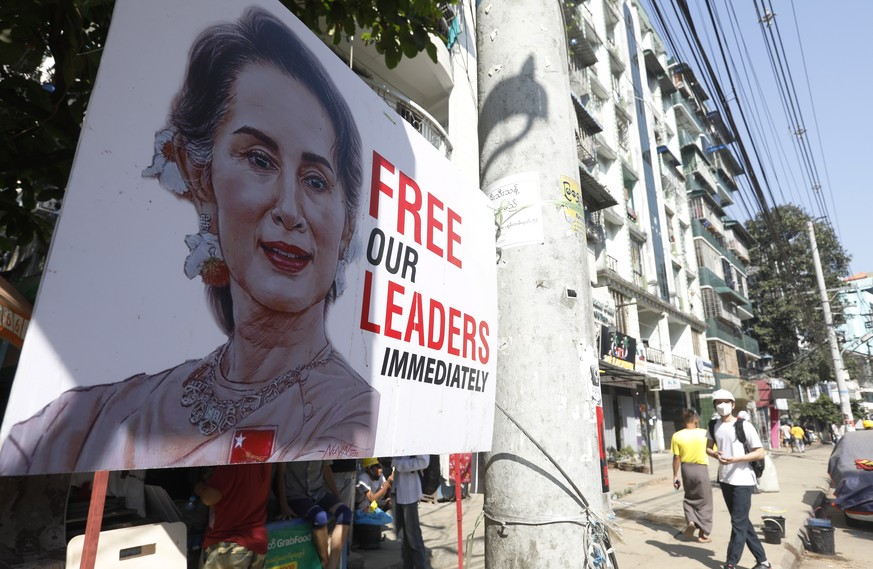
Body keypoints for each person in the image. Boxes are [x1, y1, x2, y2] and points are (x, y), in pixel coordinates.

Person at [0, 7, 379, 475]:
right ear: (201, 175)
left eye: (317, 180)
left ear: (345, 226)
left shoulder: (352, 415)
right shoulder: (91, 416)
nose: (289, 209)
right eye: (259, 159)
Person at [706, 389, 770, 569]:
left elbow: (759, 452)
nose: (722, 405)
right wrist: (715, 454)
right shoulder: (713, 425)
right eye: (718, 402)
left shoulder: (744, 426)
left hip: (743, 480)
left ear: (733, 404)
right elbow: (708, 447)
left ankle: (731, 563)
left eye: (726, 401)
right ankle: (763, 561)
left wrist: (736, 459)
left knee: (737, 522)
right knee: (742, 522)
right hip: (725, 479)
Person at [195, 463, 272, 569]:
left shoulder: (232, 463)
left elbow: (209, 498)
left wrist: (201, 489)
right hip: (257, 542)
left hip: (229, 544)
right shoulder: (265, 461)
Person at [277, 461, 352, 569]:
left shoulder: (321, 444)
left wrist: (337, 497)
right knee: (320, 517)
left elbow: (326, 469)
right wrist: (283, 504)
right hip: (296, 495)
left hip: (318, 492)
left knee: (345, 513)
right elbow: (281, 473)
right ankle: (325, 562)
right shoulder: (288, 444)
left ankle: (332, 565)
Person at [670, 409, 713, 543]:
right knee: (705, 501)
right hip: (701, 469)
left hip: (686, 469)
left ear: (684, 421)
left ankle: (691, 521)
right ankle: (702, 534)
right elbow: (713, 451)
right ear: (696, 420)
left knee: (689, 498)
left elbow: (676, 457)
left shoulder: (677, 436)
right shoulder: (704, 434)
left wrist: (675, 476)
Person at [393, 455, 431, 569]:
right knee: (404, 537)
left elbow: (424, 462)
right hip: (398, 489)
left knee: (413, 536)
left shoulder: (415, 438)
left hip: (409, 491)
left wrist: (397, 463)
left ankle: (421, 566)